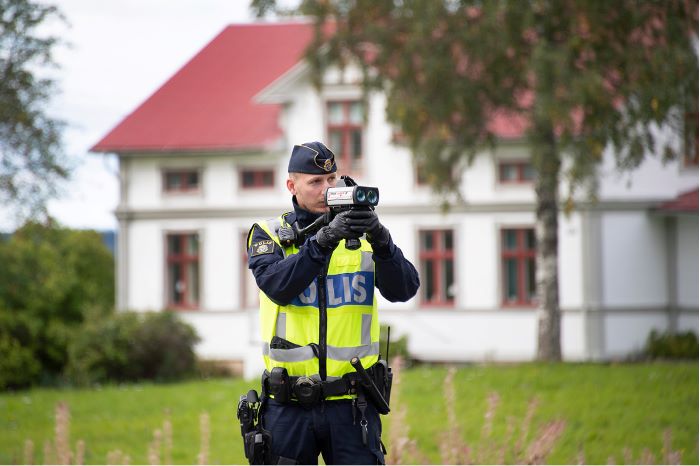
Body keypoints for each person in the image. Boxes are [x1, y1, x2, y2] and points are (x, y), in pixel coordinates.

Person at [246, 141, 420, 465]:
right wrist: (323, 240)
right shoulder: (269, 235)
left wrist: (381, 239)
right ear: (292, 186)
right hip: (290, 404)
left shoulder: (362, 236)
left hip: (352, 406)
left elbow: (405, 288)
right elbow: (278, 286)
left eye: (331, 180)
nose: (326, 189)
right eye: (315, 182)